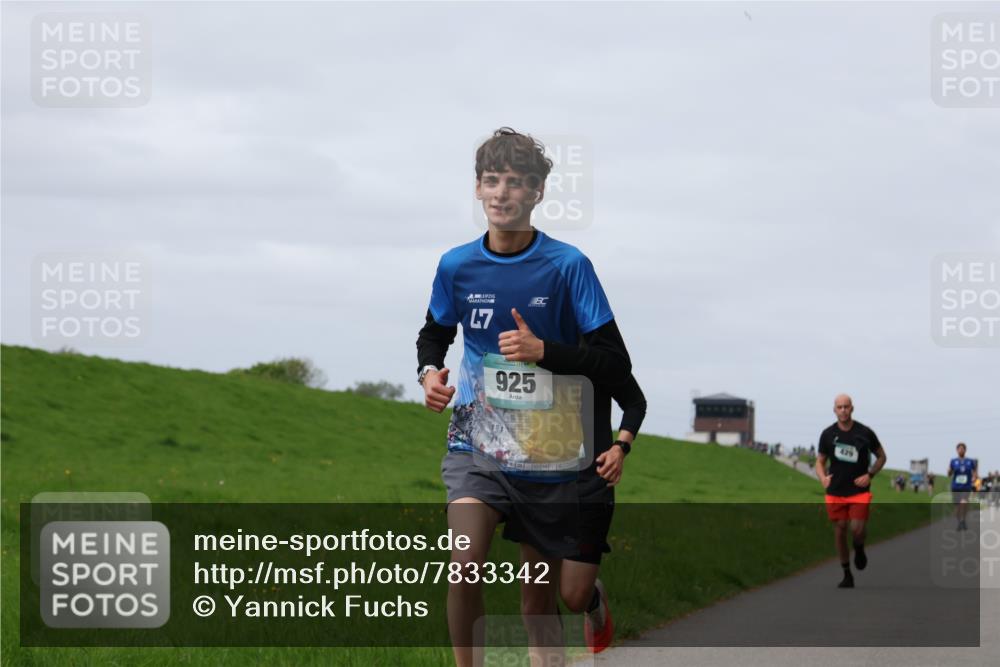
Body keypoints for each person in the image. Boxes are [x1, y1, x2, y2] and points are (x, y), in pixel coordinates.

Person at [416, 127, 632, 667]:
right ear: (477, 189)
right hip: (477, 443)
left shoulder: (568, 266)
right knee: (464, 562)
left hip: (549, 452)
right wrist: (428, 372)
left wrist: (544, 351)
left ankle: (591, 603)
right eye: (492, 180)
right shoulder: (455, 265)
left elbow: (614, 363)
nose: (502, 193)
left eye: (516, 182)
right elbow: (435, 332)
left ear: (537, 193)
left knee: (541, 603)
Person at [559, 373, 646, 653]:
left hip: (590, 481)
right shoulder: (522, 344)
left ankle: (592, 600)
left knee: (573, 597)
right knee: (537, 592)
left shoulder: (598, 344)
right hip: (534, 480)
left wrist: (620, 448)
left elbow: (635, 402)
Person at [814, 394, 887, 589]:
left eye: (846, 407)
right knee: (840, 531)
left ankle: (859, 547)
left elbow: (881, 456)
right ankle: (847, 574)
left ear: (852, 408)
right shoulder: (827, 434)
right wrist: (822, 477)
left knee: (856, 528)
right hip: (835, 490)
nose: (843, 410)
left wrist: (870, 475)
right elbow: (820, 461)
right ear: (834, 410)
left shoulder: (864, 432)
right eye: (839, 407)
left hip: (858, 489)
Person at [948, 443, 977, 531]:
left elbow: (975, 472)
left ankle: (963, 520)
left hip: (966, 486)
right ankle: (960, 522)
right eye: (959, 449)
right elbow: (949, 474)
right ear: (957, 450)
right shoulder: (953, 461)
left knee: (963, 503)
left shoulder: (970, 461)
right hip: (955, 486)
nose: (961, 450)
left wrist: (974, 478)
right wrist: (949, 471)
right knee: (957, 508)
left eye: (962, 449)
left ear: (965, 450)